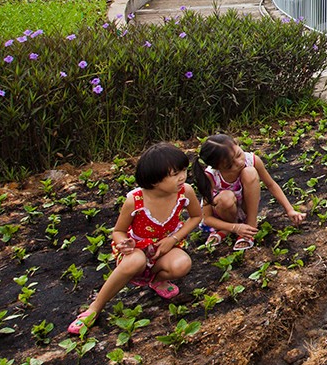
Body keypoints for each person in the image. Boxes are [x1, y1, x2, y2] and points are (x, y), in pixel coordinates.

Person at [68, 143, 202, 335]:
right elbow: (119, 231)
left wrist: (173, 239)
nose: (182, 177)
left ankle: (155, 279)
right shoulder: (136, 200)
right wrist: (124, 243)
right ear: (154, 180)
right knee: (136, 261)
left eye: (183, 170)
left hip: (165, 247)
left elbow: (196, 217)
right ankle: (95, 307)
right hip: (138, 249)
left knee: (182, 264)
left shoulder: (184, 192)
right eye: (174, 174)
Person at [194, 134, 304, 251]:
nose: (239, 162)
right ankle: (228, 229)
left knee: (250, 172)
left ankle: (250, 226)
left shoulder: (251, 160)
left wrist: (290, 210)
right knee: (225, 197)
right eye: (230, 165)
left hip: (245, 208)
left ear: (238, 144)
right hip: (223, 213)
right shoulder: (210, 176)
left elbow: (271, 185)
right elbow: (207, 218)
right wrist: (234, 227)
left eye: (238, 154)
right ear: (217, 167)